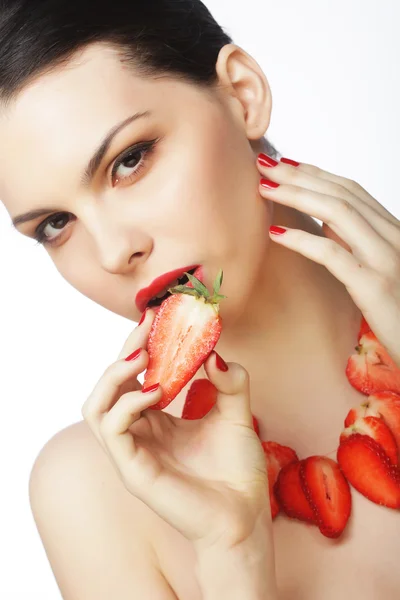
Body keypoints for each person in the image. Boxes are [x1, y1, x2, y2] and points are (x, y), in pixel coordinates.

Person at [1, 0, 399, 598]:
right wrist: (232, 557)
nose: (113, 251)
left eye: (130, 160)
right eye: (56, 224)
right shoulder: (91, 491)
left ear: (242, 94)